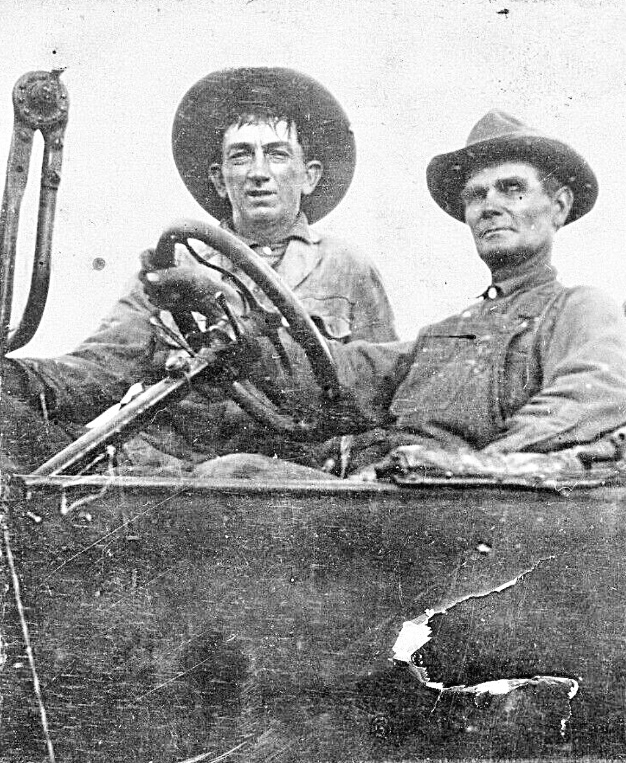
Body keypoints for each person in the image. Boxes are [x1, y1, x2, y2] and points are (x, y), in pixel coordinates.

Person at [162, 109, 626, 476]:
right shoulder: (445, 332)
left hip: (448, 509)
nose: (490, 206)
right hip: (383, 491)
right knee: (215, 475)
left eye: (511, 189)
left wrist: (466, 471)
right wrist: (237, 326)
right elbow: (341, 373)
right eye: (477, 195)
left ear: (559, 206)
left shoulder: (579, 308)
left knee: (233, 478)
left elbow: (588, 400)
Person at [0, 68, 396, 474]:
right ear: (219, 180)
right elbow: (99, 369)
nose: (258, 172)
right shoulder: (176, 265)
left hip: (281, 485)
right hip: (157, 473)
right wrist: (17, 378)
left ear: (309, 176)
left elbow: (378, 398)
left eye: (277, 155)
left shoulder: (347, 268)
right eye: (240, 156)